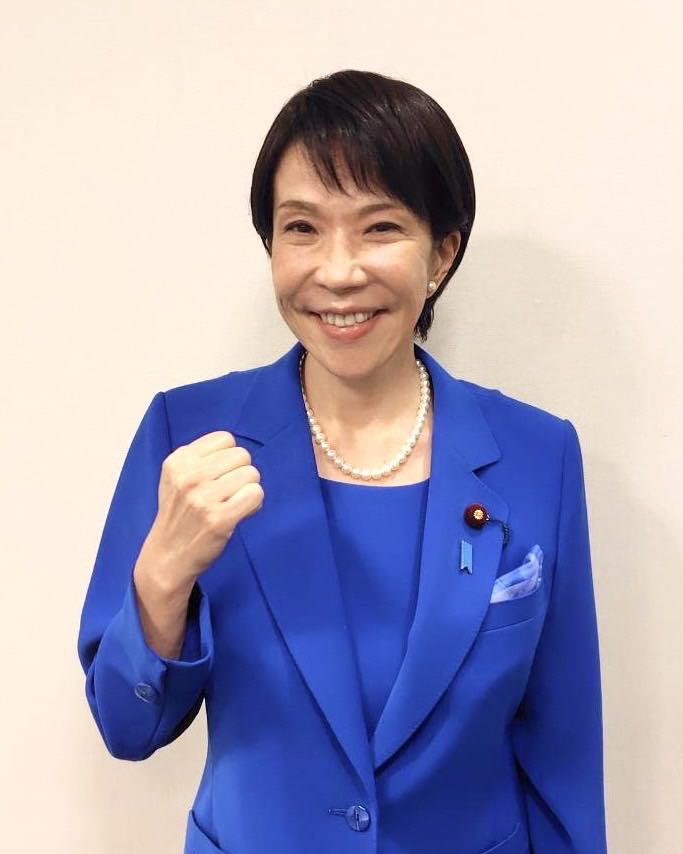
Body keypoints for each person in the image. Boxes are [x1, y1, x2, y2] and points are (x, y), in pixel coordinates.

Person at [77, 69, 607, 854]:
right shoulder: (188, 434)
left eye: (379, 227)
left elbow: (562, 749)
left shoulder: (537, 453)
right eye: (301, 228)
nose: (336, 271)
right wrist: (160, 579)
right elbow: (128, 727)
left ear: (441, 253)